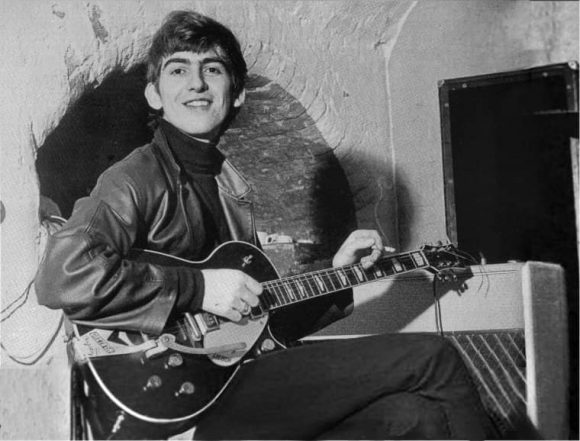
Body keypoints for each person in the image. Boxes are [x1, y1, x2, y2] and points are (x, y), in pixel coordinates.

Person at [35, 10, 496, 440]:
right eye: (178, 69)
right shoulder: (133, 178)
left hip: (234, 387)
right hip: (181, 400)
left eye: (212, 69)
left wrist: (339, 273)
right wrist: (198, 288)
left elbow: (259, 320)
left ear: (236, 93)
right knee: (433, 356)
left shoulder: (232, 187)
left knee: (417, 417)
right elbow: (62, 277)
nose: (196, 82)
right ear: (154, 93)